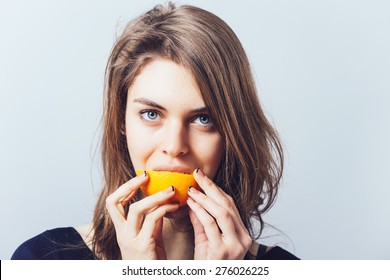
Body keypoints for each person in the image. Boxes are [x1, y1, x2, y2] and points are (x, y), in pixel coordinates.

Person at [12, 2, 298, 260]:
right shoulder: (40, 259)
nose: (174, 146)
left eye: (203, 119)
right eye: (151, 114)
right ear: (121, 123)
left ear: (233, 133)